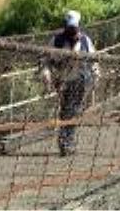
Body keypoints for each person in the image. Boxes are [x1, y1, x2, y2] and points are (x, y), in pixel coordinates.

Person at [42, 10, 97, 156]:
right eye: (69, 27)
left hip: (81, 81)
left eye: (74, 28)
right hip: (63, 81)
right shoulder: (56, 41)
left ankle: (67, 141)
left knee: (73, 110)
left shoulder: (85, 41)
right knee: (67, 110)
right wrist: (47, 76)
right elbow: (45, 61)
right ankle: (66, 142)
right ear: (65, 26)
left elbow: (94, 61)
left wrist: (95, 78)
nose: (72, 30)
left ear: (79, 26)